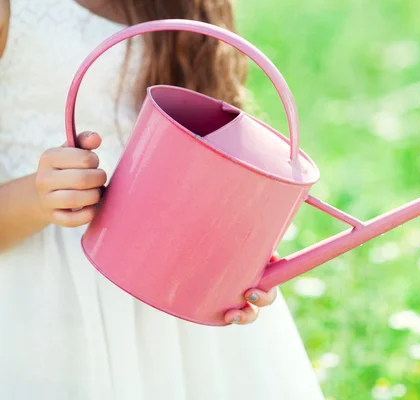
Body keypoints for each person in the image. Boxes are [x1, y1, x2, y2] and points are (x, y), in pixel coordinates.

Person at [0, 0, 325, 399]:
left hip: (174, 275)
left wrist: (239, 264)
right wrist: (38, 196)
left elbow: (222, 163)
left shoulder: (191, 8)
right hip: (40, 287)